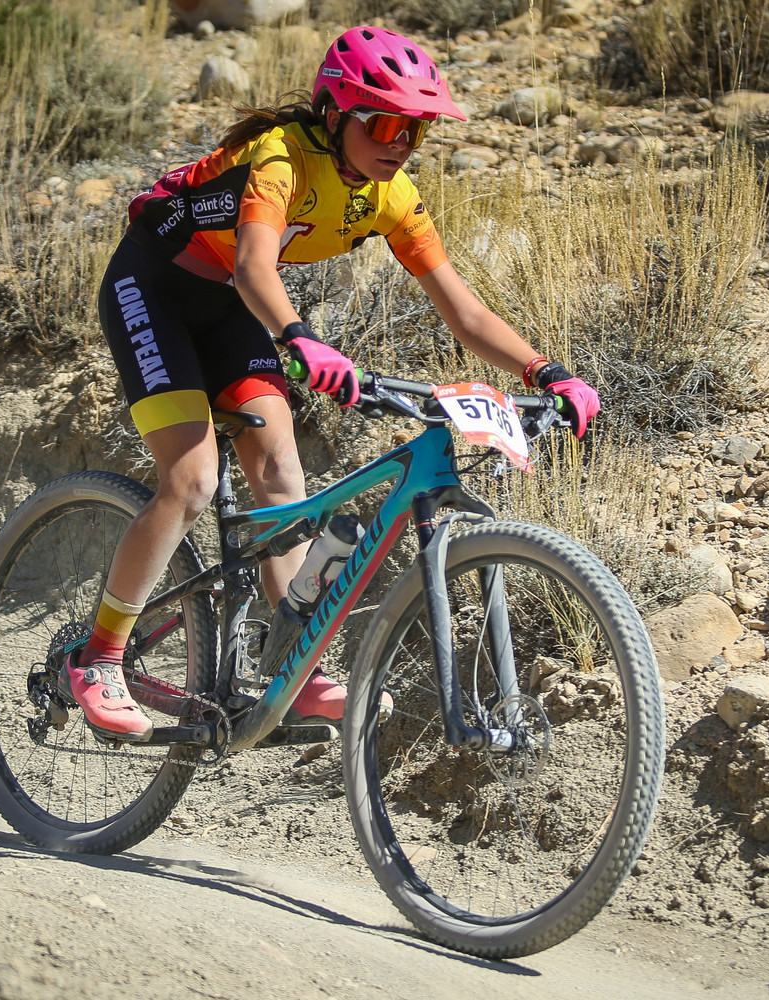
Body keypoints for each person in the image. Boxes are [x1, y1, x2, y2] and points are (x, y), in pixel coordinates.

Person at [73, 25, 602, 739]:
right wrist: (299, 338)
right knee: (193, 480)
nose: (400, 143)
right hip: (153, 287)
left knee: (281, 469)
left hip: (226, 307)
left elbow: (463, 309)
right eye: (383, 124)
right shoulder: (280, 157)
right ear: (334, 113)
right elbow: (253, 267)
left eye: (415, 129)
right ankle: (99, 658)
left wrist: (547, 371)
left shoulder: (392, 194)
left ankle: (291, 669)